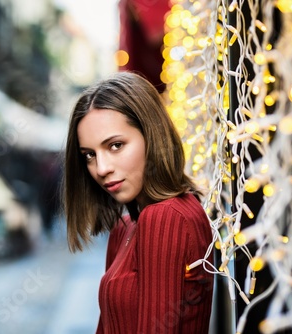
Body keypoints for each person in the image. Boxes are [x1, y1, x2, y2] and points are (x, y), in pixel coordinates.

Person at [62, 72, 213, 333]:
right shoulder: (127, 227)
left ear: (151, 135)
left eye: (116, 145)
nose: (101, 168)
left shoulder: (167, 217)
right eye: (89, 155)